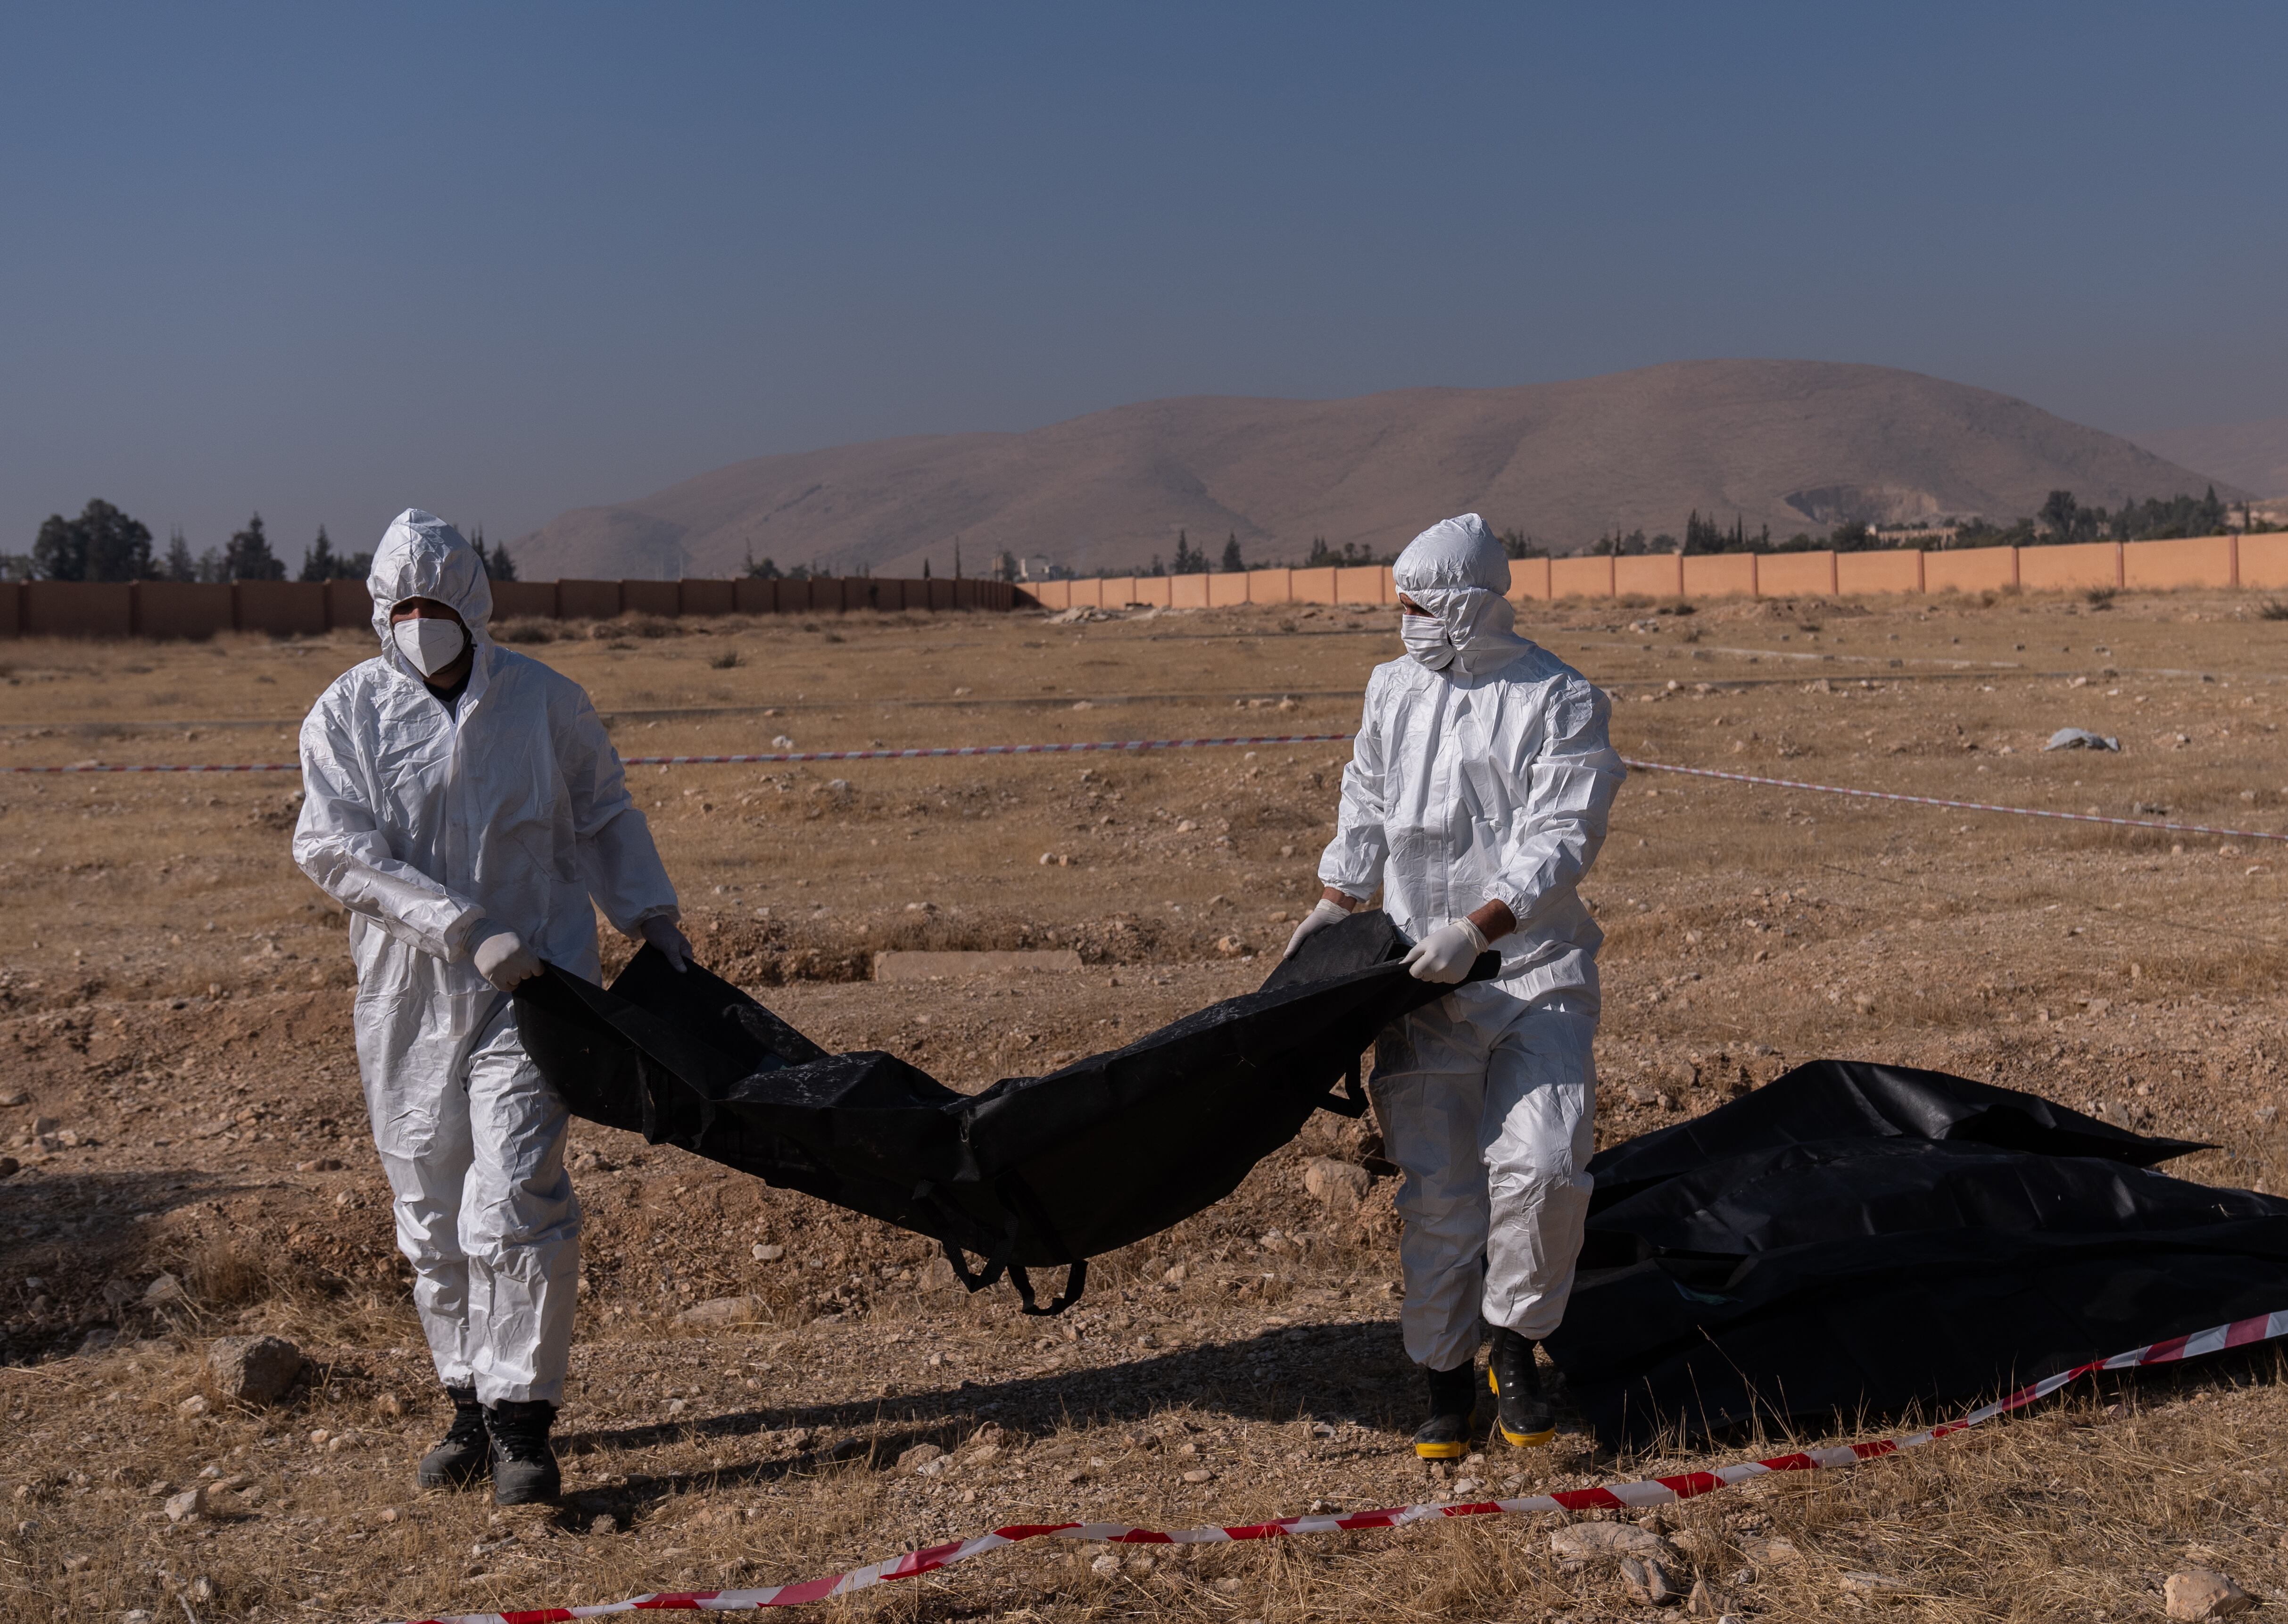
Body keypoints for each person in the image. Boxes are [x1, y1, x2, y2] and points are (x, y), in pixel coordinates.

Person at [294, 510, 692, 1503]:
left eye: (440, 606)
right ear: (383, 613)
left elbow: (601, 810)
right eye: (406, 607)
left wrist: (650, 913)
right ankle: (465, 1403)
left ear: (475, 608)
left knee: (513, 1193)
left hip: (539, 987)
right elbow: (336, 851)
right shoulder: (345, 716)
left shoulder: (544, 702)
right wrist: (461, 926)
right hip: (411, 997)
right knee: (430, 1210)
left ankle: (524, 1424)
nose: (423, 624)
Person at [1284, 513, 1624, 1459]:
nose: (1406, 626)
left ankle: (1512, 1342)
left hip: (1530, 974)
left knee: (1546, 1168)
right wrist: (1335, 901)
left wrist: (1477, 927)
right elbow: (1367, 795)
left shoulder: (1559, 698)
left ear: (1471, 605)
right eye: (1399, 609)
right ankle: (1442, 1375)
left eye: (1420, 609)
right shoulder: (1391, 689)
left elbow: (1560, 836)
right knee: (1438, 1194)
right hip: (1416, 986)